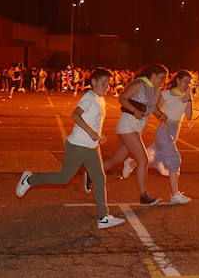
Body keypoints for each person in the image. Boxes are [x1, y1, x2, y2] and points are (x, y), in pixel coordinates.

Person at [16, 68, 124, 229]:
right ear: (93, 82)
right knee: (63, 178)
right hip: (78, 146)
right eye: (103, 83)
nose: (106, 87)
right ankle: (29, 180)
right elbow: (75, 115)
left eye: (108, 84)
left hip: (92, 147)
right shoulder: (89, 98)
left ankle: (103, 217)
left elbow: (94, 121)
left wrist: (98, 136)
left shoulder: (99, 99)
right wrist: (92, 132)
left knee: (100, 179)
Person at [100, 64, 169, 206]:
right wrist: (134, 110)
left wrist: (160, 114)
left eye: (164, 79)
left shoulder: (155, 89)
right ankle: (144, 196)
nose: (162, 81)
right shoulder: (139, 84)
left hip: (137, 127)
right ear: (153, 75)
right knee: (143, 159)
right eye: (161, 78)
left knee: (116, 159)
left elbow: (153, 106)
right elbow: (123, 99)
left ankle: (92, 174)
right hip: (128, 124)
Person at [150, 70, 195, 204]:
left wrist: (189, 99)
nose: (186, 84)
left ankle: (132, 162)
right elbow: (155, 108)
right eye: (184, 81)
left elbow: (189, 117)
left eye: (188, 82)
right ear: (177, 80)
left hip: (175, 130)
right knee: (174, 158)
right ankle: (174, 194)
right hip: (164, 129)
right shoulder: (167, 94)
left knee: (155, 156)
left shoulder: (185, 97)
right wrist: (162, 120)